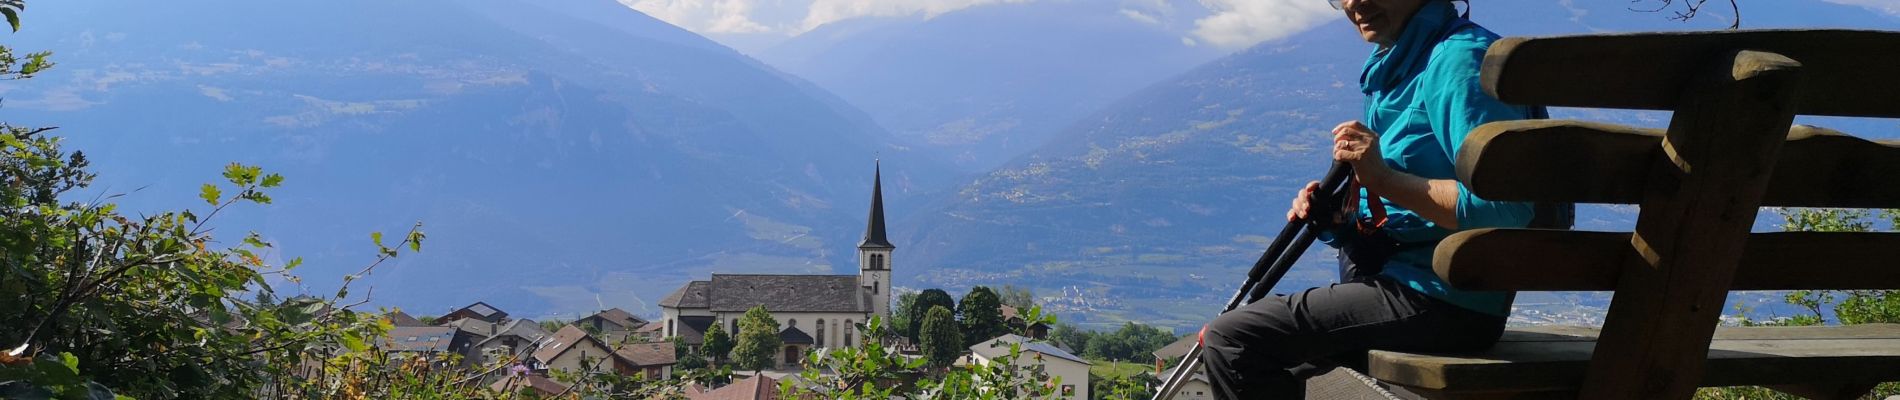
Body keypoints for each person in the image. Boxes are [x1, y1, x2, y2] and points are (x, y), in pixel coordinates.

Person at [1196, 0, 1547, 398]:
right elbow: (1407, 207)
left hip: (1446, 298)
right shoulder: (1400, 64)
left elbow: (1505, 207)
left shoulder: (1458, 61)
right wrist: (1340, 221)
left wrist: (1382, 177)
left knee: (1235, 340)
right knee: (1259, 346)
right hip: (1417, 283)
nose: (1352, 3)